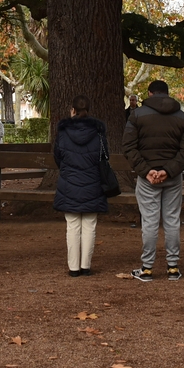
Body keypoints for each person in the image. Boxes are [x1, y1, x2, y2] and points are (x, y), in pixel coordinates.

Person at [124, 79, 184, 282]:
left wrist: (146, 171)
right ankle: (173, 267)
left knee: (149, 222)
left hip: (146, 177)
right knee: (172, 220)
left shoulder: (137, 115)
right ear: (167, 93)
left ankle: (147, 268)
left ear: (150, 93)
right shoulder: (182, 117)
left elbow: (128, 146)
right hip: (172, 176)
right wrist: (169, 171)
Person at [52, 95, 109, 277]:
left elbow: (58, 156)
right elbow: (104, 155)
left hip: (70, 182)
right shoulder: (99, 131)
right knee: (90, 225)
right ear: (89, 110)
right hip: (93, 181)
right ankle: (86, 266)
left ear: (73, 110)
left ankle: (74, 267)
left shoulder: (63, 131)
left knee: (72, 225)